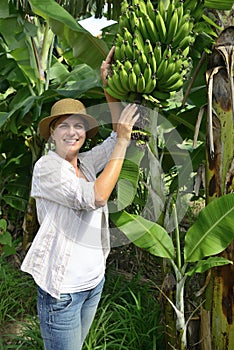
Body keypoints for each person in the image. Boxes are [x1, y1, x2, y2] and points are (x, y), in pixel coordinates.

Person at [21, 46, 139, 350]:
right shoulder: (47, 168)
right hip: (63, 292)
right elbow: (97, 197)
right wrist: (124, 141)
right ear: (52, 133)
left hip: (92, 284)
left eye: (78, 125)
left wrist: (108, 87)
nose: (72, 132)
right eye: (64, 126)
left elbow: (115, 138)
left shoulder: (85, 162)